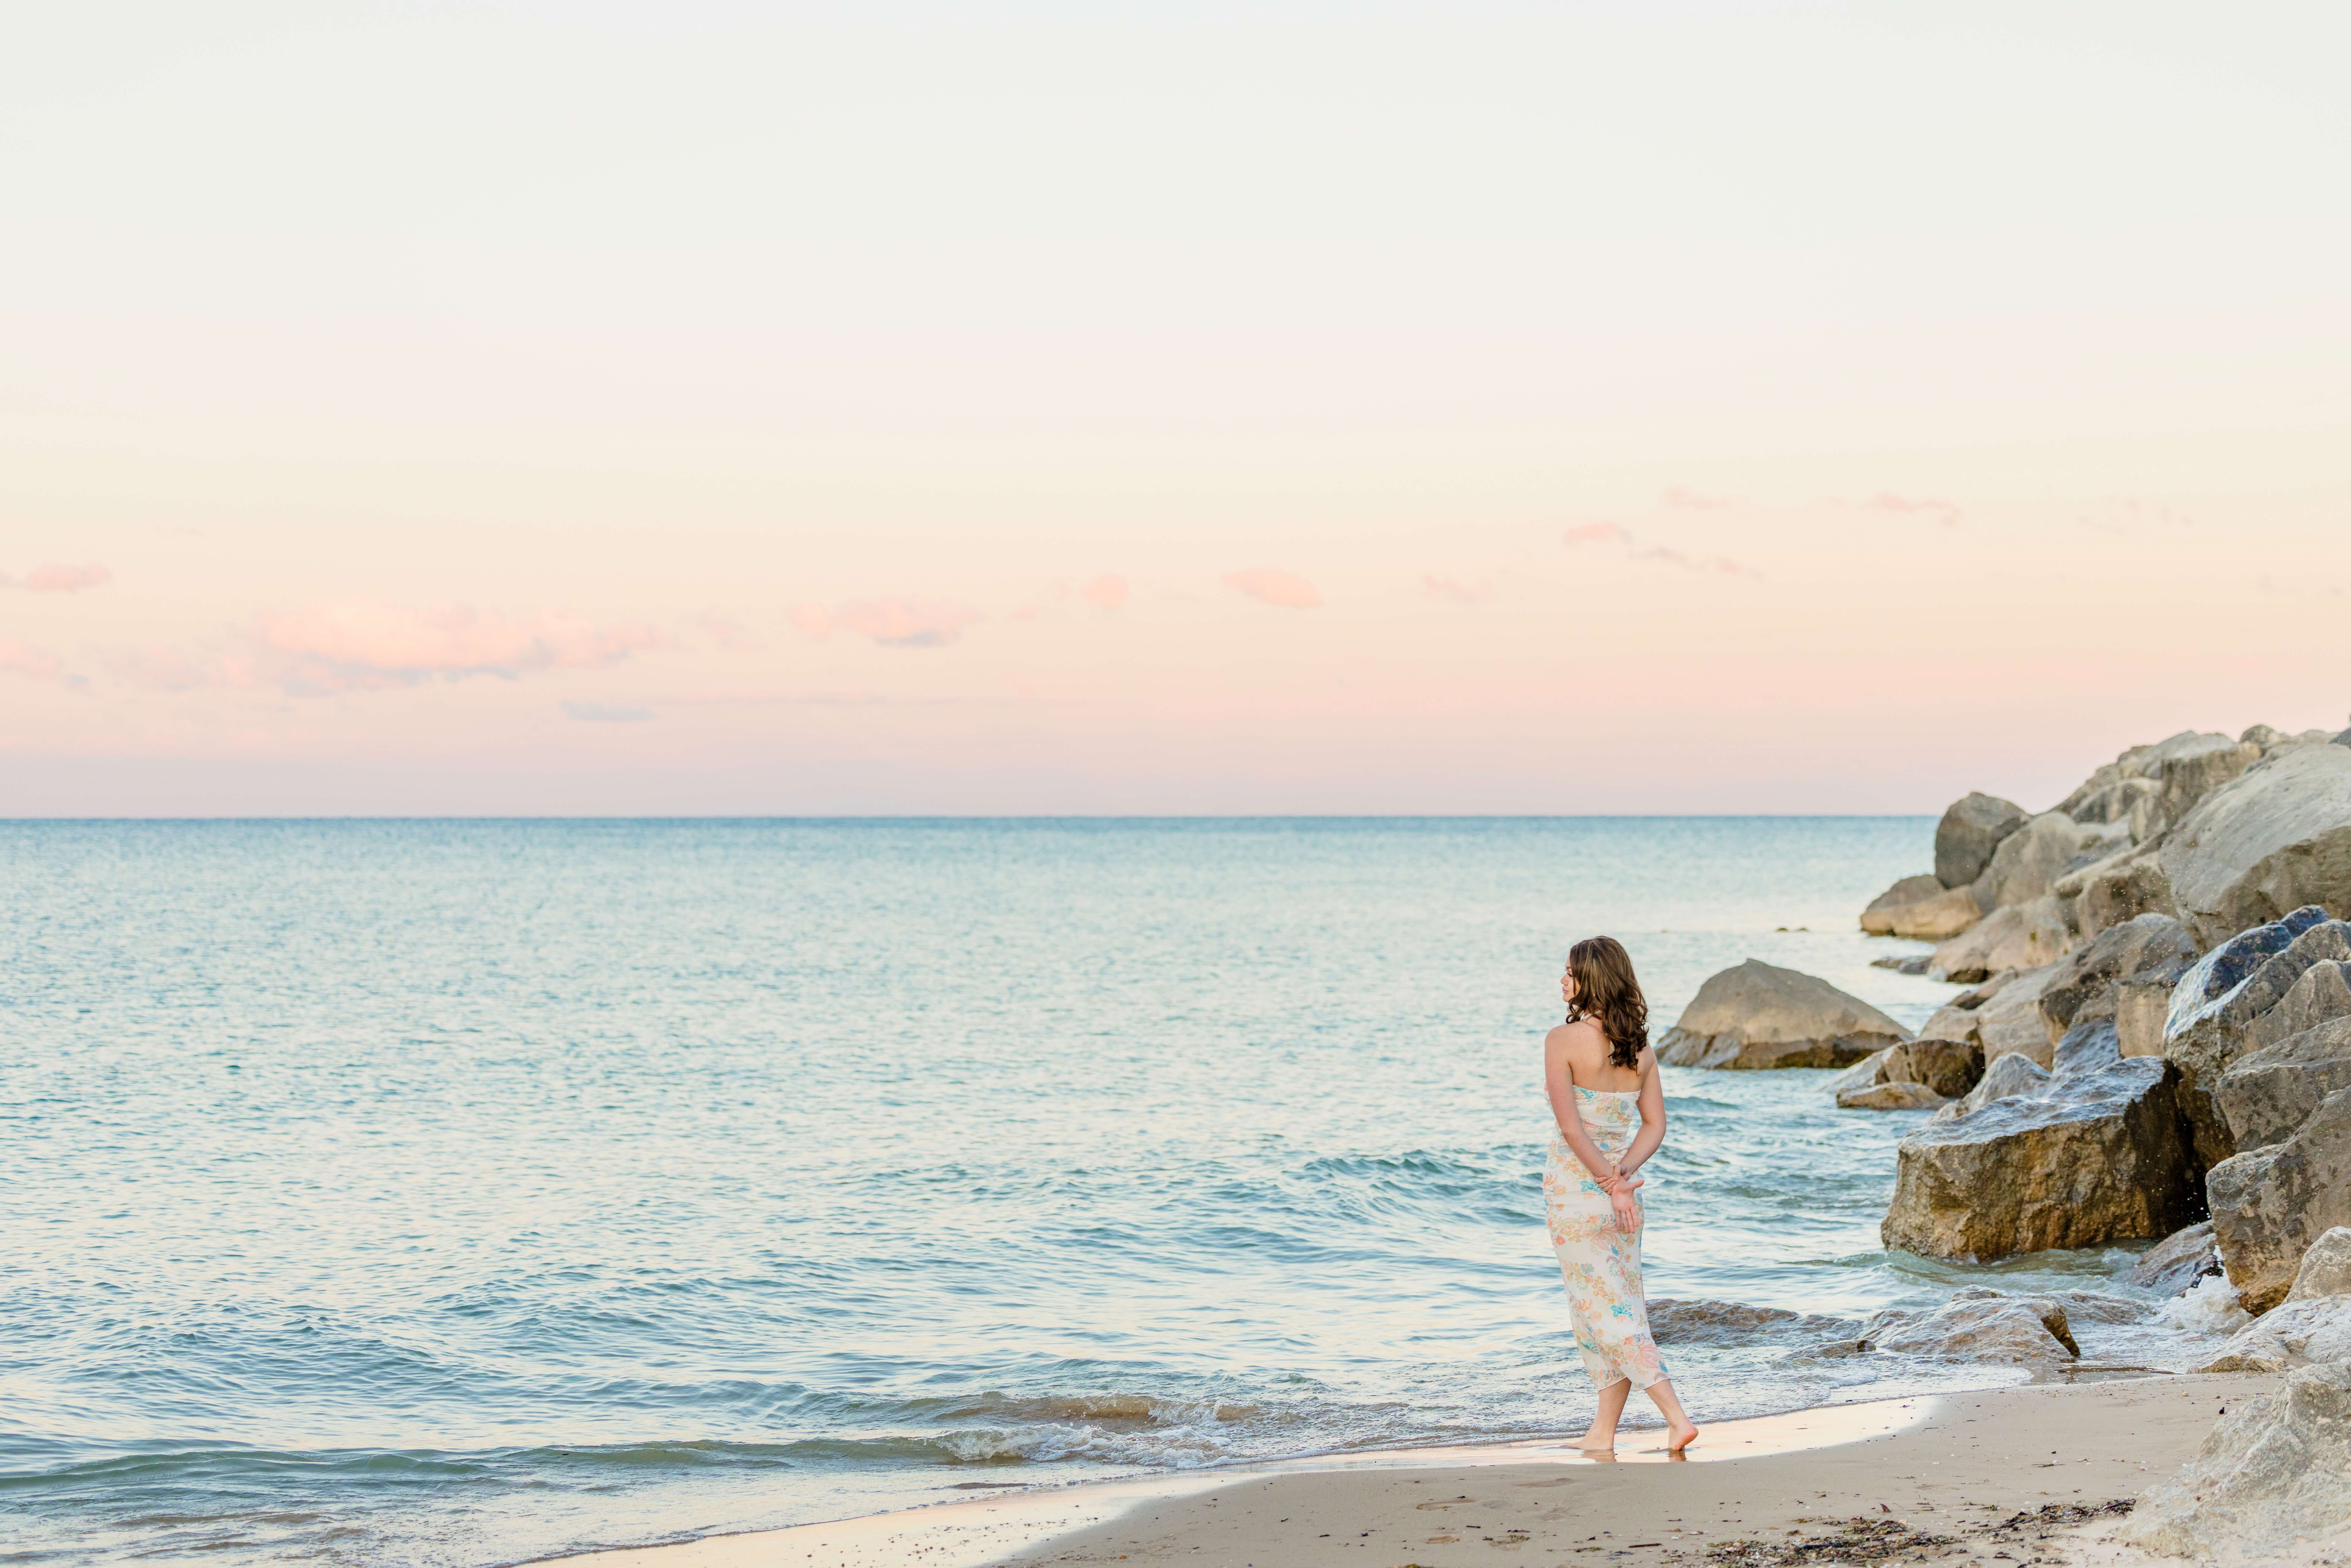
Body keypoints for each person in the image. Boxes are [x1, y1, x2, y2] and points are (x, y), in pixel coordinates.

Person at [1541, 935, 1699, 1455]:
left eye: (1570, 972)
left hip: (1580, 1194)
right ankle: (1602, 1432)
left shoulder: (1561, 1042)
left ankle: (1677, 1417)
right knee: (1613, 1307)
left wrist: (1611, 1182)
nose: (1563, 981)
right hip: (1623, 1196)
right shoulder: (1642, 1050)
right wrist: (1624, 1175)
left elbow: (1570, 1128)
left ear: (1592, 979)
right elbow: (1655, 1125)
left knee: (1603, 1313)